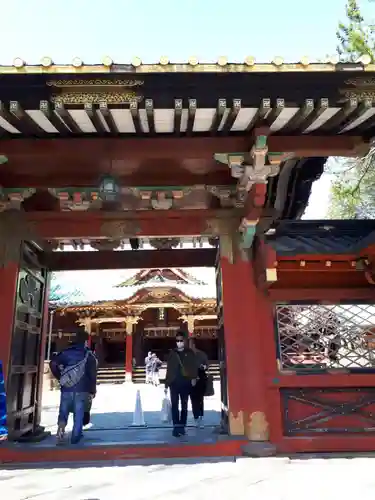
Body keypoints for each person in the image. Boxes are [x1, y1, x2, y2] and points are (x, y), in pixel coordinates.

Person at [50, 327, 97, 445]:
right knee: (79, 414)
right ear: (86, 341)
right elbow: (92, 375)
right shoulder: (88, 355)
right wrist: (93, 390)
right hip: (83, 389)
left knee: (64, 410)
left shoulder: (65, 352)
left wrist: (60, 377)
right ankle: (75, 437)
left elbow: (53, 363)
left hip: (66, 388)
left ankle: (61, 429)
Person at [165, 331, 199, 437]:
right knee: (174, 405)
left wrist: (193, 378)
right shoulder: (172, 353)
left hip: (185, 382)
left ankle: (182, 426)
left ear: (184, 341)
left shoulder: (190, 353)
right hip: (174, 383)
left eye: (181, 340)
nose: (179, 342)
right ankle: (176, 427)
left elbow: (194, 366)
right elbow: (169, 369)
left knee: (184, 405)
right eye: (177, 341)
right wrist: (166, 384)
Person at [189, 339, 209, 428]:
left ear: (194, 345)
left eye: (190, 345)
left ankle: (200, 415)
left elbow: (206, 365)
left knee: (200, 398)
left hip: (201, 377)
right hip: (190, 378)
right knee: (193, 398)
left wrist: (203, 367)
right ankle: (195, 416)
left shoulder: (202, 354)